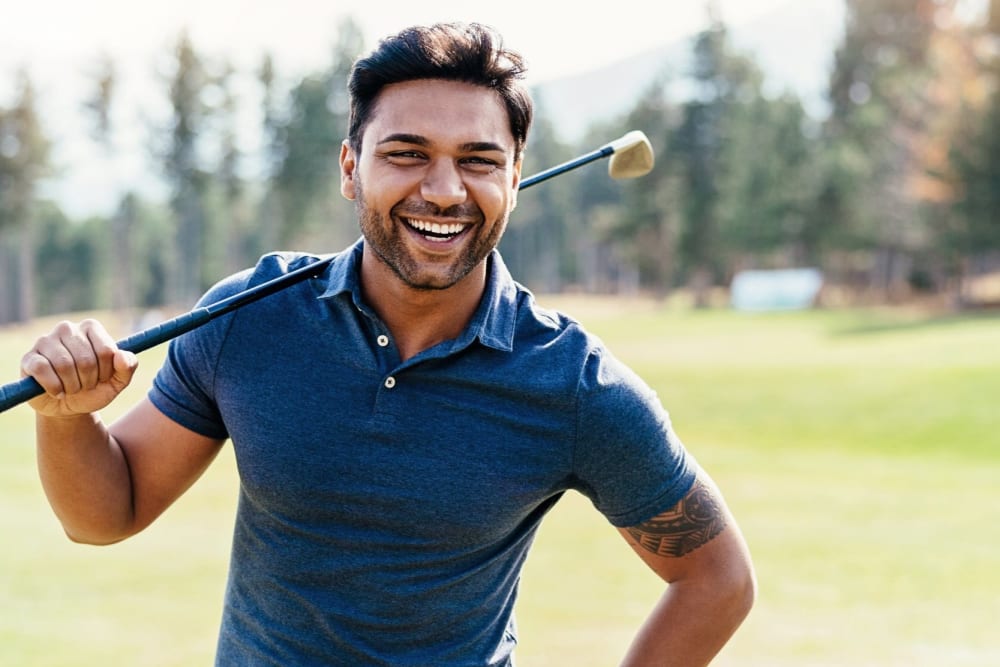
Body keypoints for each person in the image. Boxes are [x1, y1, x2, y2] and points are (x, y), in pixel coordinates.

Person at [20, 22, 755, 666]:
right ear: (351, 168)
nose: (444, 190)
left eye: (478, 159)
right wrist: (65, 417)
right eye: (407, 153)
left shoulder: (573, 384)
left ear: (516, 177)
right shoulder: (251, 317)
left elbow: (717, 577)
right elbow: (104, 515)